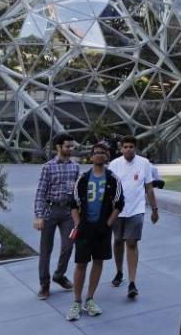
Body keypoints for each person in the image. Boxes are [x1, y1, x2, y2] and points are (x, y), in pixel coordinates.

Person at [66, 143, 124, 321]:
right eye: (96, 152)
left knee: (98, 262)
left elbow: (119, 204)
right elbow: (74, 204)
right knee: (81, 264)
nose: (99, 155)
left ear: (107, 156)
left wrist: (107, 225)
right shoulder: (83, 179)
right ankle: (76, 301)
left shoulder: (113, 179)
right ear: (91, 157)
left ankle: (89, 299)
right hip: (84, 228)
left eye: (102, 152)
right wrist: (78, 224)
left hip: (102, 229)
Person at [107, 135, 159, 299]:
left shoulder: (144, 163)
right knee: (118, 242)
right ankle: (119, 272)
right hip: (117, 211)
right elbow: (109, 189)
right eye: (125, 147)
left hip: (136, 209)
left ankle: (132, 283)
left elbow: (149, 188)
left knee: (131, 242)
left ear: (135, 148)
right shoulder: (114, 164)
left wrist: (154, 209)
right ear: (121, 149)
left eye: (131, 146)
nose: (128, 149)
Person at [33, 133, 79, 300]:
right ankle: (44, 285)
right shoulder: (48, 167)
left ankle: (59, 275)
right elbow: (40, 192)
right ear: (58, 147)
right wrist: (38, 215)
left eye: (72, 146)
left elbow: (76, 191)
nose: (70, 149)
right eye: (68, 146)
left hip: (68, 212)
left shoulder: (75, 167)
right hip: (50, 211)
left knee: (68, 246)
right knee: (46, 249)